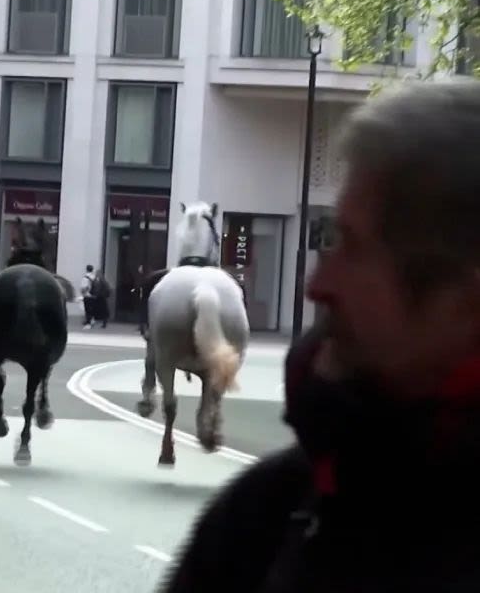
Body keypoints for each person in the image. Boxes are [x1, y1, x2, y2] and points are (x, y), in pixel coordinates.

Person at [162, 80, 480, 592]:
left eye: (353, 248)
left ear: (463, 303)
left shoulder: (275, 513)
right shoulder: (264, 510)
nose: (318, 284)